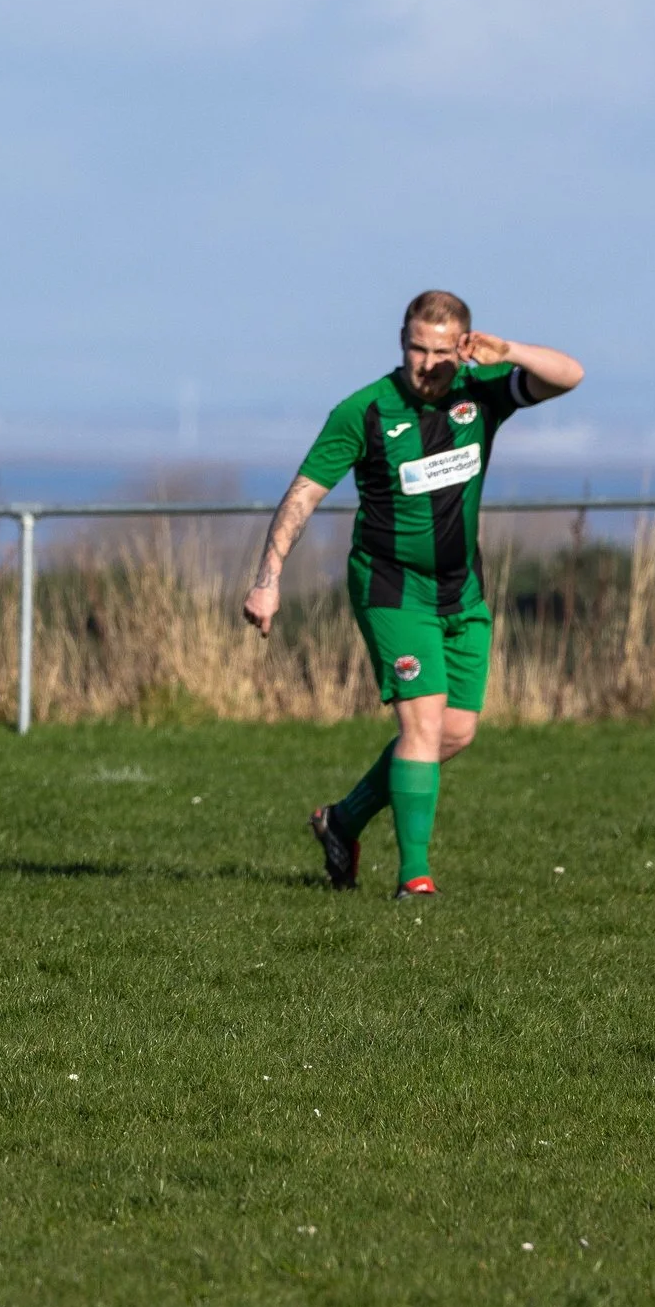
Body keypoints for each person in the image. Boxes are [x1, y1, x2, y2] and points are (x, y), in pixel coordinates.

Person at [244, 290, 583, 897]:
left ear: (464, 347)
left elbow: (569, 375)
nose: (425, 363)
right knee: (422, 726)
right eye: (415, 349)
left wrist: (506, 352)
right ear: (402, 344)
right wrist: (267, 582)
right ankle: (414, 880)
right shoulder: (365, 410)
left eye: (439, 351)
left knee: (453, 732)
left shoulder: (480, 395)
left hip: (463, 592)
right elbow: (303, 494)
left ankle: (341, 820)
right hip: (392, 589)